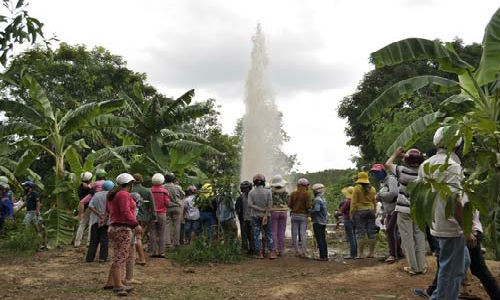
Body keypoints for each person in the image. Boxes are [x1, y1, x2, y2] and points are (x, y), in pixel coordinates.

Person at [418, 127, 468, 300]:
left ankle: (440, 294)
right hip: (452, 226)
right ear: (456, 146)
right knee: (450, 270)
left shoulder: (425, 165)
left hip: (436, 223)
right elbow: (455, 201)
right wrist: (466, 229)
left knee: (461, 262)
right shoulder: (452, 166)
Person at [386, 148, 426, 275]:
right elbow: (420, 161)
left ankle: (413, 267)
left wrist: (395, 154)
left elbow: (388, 164)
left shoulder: (402, 171)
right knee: (419, 237)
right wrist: (409, 156)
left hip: (403, 210)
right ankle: (421, 266)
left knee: (407, 239)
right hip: (419, 210)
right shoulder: (423, 172)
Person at [103, 173, 142, 297]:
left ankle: (110, 282)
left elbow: (110, 211)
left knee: (117, 255)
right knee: (121, 257)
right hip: (123, 227)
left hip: (114, 226)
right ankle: (118, 285)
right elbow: (125, 211)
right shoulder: (124, 194)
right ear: (130, 184)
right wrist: (136, 224)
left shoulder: (114, 195)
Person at [370, 164, 402, 263]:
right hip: (388, 210)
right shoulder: (383, 182)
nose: (376, 175)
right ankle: (396, 252)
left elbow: (394, 193)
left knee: (390, 230)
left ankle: (393, 254)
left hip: (396, 208)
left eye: (378, 172)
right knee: (392, 232)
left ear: (383, 171)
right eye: (374, 173)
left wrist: (380, 195)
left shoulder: (391, 179)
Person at [248, 174, 276, 259]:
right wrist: (265, 213)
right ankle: (271, 253)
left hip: (255, 216)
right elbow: (270, 205)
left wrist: (259, 209)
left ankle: (259, 253)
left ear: (254, 182)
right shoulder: (268, 192)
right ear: (263, 182)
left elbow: (250, 204)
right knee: (269, 233)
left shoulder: (251, 192)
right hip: (266, 215)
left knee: (256, 234)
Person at [85, 180, 115, 263]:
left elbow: (90, 206)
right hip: (107, 221)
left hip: (95, 220)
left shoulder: (96, 195)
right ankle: (102, 258)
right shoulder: (112, 196)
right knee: (104, 240)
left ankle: (89, 258)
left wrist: (99, 214)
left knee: (93, 240)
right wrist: (104, 216)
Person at [130, 173, 156, 265]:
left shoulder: (129, 190)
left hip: (131, 217)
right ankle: (138, 257)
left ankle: (140, 258)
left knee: (134, 238)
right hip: (144, 217)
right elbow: (152, 205)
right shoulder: (147, 191)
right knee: (138, 237)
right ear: (141, 180)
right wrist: (154, 216)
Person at [350, 172, 377, 259]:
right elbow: (374, 201)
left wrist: (352, 213)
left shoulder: (357, 188)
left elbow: (353, 202)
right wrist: (375, 211)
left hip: (360, 211)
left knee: (360, 232)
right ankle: (372, 253)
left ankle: (361, 254)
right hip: (371, 210)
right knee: (371, 232)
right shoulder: (372, 189)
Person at [289, 178, 312, 258]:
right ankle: (304, 252)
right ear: (306, 185)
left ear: (298, 185)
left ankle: (296, 251)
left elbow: (290, 205)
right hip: (303, 216)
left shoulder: (293, 194)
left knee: (294, 234)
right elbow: (308, 206)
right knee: (302, 234)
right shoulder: (307, 194)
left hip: (294, 215)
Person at [149, 173, 170, 258]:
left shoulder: (149, 191)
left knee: (152, 232)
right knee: (162, 232)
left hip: (152, 214)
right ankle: (161, 252)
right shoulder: (164, 191)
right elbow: (167, 203)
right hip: (162, 213)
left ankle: (153, 251)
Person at [163, 172, 184, 247]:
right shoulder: (177, 187)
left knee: (166, 224)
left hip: (167, 207)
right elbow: (183, 195)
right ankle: (176, 242)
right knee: (177, 225)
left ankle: (167, 242)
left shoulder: (163, 187)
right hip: (177, 207)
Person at [270, 175, 288, 257]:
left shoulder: (271, 192)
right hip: (284, 212)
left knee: (273, 231)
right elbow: (287, 202)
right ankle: (281, 250)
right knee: (281, 232)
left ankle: (274, 250)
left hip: (274, 212)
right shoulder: (285, 192)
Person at [235, 181, 254, 254]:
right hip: (243, 219)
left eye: (247, 188)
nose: (246, 190)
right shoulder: (240, 198)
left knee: (251, 235)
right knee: (244, 234)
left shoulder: (253, 196)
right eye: (244, 188)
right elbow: (237, 209)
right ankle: (245, 249)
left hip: (252, 218)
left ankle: (252, 249)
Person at [311, 183, 328, 261]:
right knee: (323, 239)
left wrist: (309, 211)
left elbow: (316, 210)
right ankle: (325, 255)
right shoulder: (323, 199)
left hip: (318, 222)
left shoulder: (317, 199)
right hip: (323, 221)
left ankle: (322, 256)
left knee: (319, 239)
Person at [339, 186, 357, 259]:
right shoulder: (356, 201)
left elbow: (342, 210)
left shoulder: (348, 201)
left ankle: (352, 254)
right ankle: (355, 253)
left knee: (350, 237)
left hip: (348, 219)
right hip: (355, 219)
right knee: (355, 236)